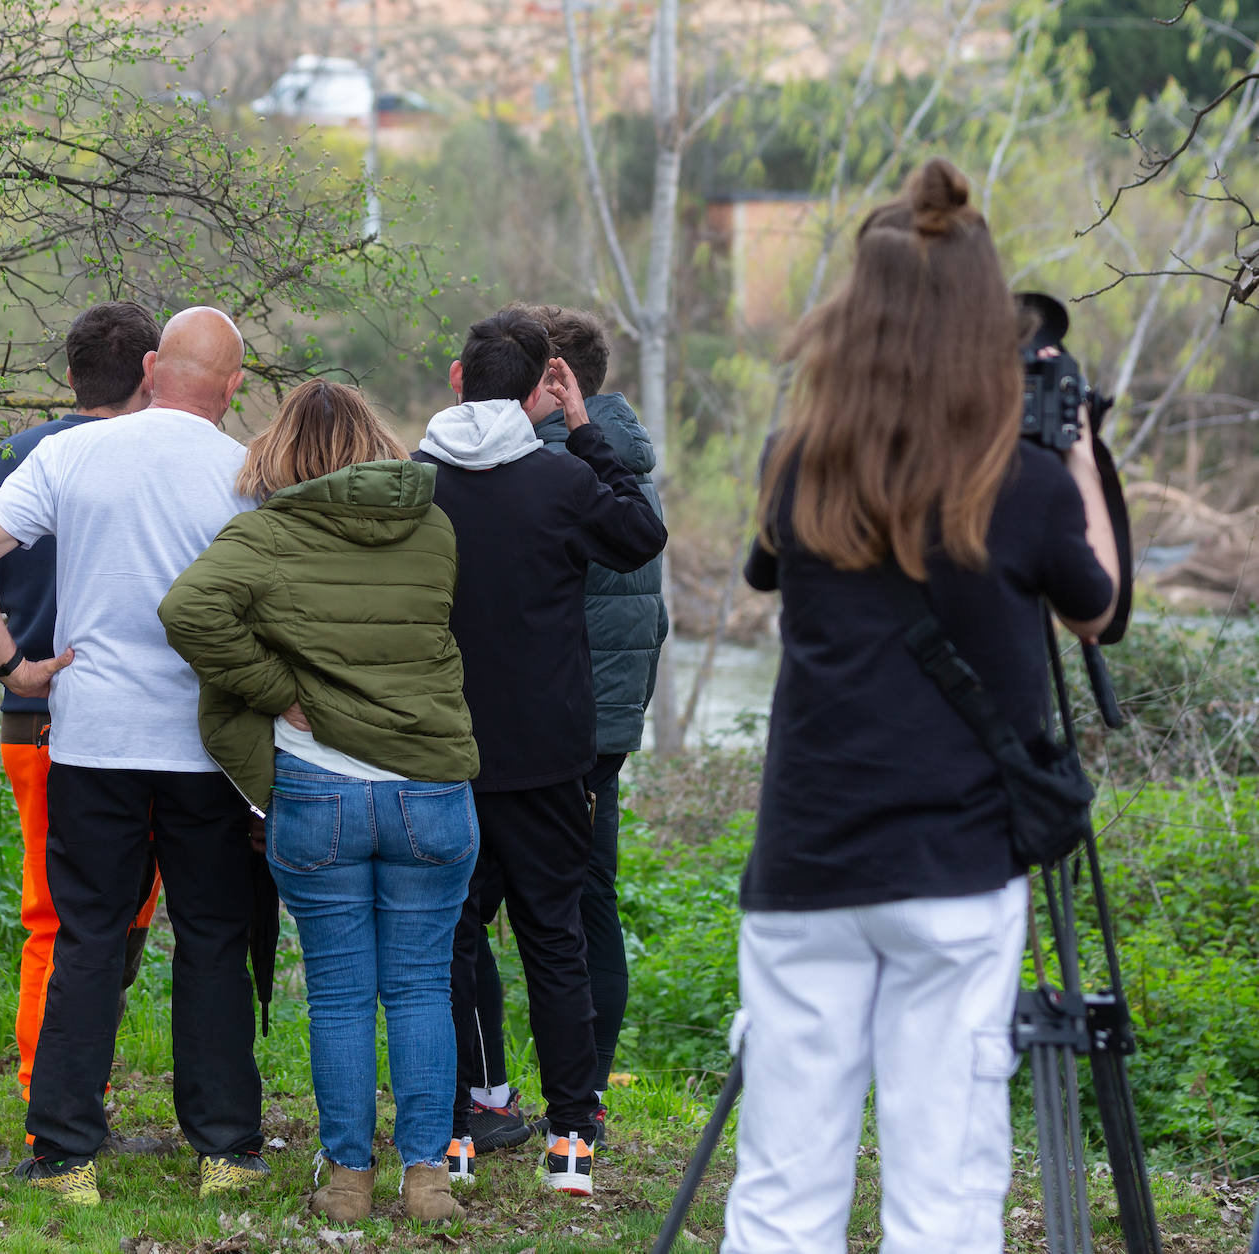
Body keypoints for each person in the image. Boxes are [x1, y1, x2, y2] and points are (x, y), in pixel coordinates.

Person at [720, 159, 1120, 1254]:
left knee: (782, 1185)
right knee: (943, 1188)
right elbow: (1101, 611)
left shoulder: (795, 463)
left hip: (807, 863)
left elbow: (765, 573)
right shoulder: (1027, 482)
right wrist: (1076, 447)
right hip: (954, 871)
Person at [0, 307, 266, 1206]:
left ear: (156, 367)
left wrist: (14, 665)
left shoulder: (70, 454)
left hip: (91, 740)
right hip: (209, 747)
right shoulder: (248, 471)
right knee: (211, 941)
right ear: (233, 388)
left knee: (86, 938)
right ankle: (227, 1151)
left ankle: (65, 1153)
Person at [158, 379, 480, 1225]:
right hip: (431, 789)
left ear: (281, 453)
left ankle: (345, 1181)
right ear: (377, 441)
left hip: (319, 790)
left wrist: (277, 689)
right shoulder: (433, 526)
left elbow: (187, 610)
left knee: (339, 993)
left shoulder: (265, 535)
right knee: (419, 988)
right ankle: (427, 1180)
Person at [413, 309, 667, 1196]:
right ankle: (570, 1145)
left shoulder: (416, 483)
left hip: (445, 751)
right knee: (553, 941)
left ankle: (452, 1139)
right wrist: (587, 426)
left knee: (448, 942)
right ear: (539, 391)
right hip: (552, 757)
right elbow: (641, 534)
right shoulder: (561, 481)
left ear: (456, 377)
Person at [0, 301, 164, 1121]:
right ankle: (47, 1093)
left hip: (34, 715)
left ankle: (73, 1083)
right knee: (81, 917)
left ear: (70, 372)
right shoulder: (147, 460)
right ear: (151, 371)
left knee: (79, 916)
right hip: (118, 718)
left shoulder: (8, 458)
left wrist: (10, 664)